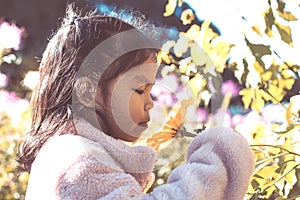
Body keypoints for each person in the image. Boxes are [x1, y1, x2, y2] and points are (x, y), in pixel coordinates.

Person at [17, 5, 254, 200]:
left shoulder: (67, 154)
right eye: (140, 89)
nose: (150, 103)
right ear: (88, 90)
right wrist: (219, 158)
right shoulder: (77, 160)